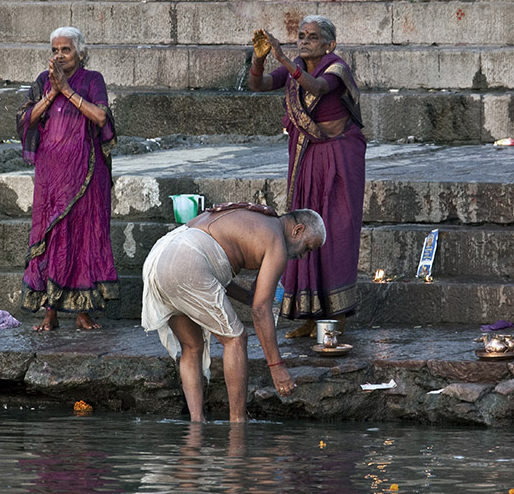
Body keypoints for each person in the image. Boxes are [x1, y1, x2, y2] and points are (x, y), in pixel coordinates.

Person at [141, 203, 326, 423]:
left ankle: (196, 425)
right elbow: (260, 310)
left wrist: (247, 297)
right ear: (298, 230)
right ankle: (238, 424)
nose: (303, 256)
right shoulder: (277, 241)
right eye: (307, 248)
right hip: (187, 260)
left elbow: (213, 267)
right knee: (236, 339)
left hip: (161, 255)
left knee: (192, 346)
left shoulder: (253, 218)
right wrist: (277, 367)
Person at [248, 15, 366, 339]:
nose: (304, 40)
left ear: (330, 43)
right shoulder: (295, 66)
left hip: (339, 158)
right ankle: (310, 316)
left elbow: (316, 87)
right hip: (306, 156)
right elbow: (256, 85)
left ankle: (336, 316)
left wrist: (283, 58)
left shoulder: (337, 68)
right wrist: (259, 58)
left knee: (336, 230)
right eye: (301, 35)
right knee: (302, 230)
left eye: (312, 36)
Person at [16, 26, 118, 331]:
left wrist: (68, 92)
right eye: (55, 50)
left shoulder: (93, 80)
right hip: (51, 174)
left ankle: (83, 312)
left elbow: (101, 118)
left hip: (86, 172)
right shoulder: (42, 82)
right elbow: (24, 119)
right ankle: (50, 313)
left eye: (66, 50)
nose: (59, 56)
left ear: (81, 52)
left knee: (83, 236)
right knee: (51, 238)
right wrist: (51, 94)